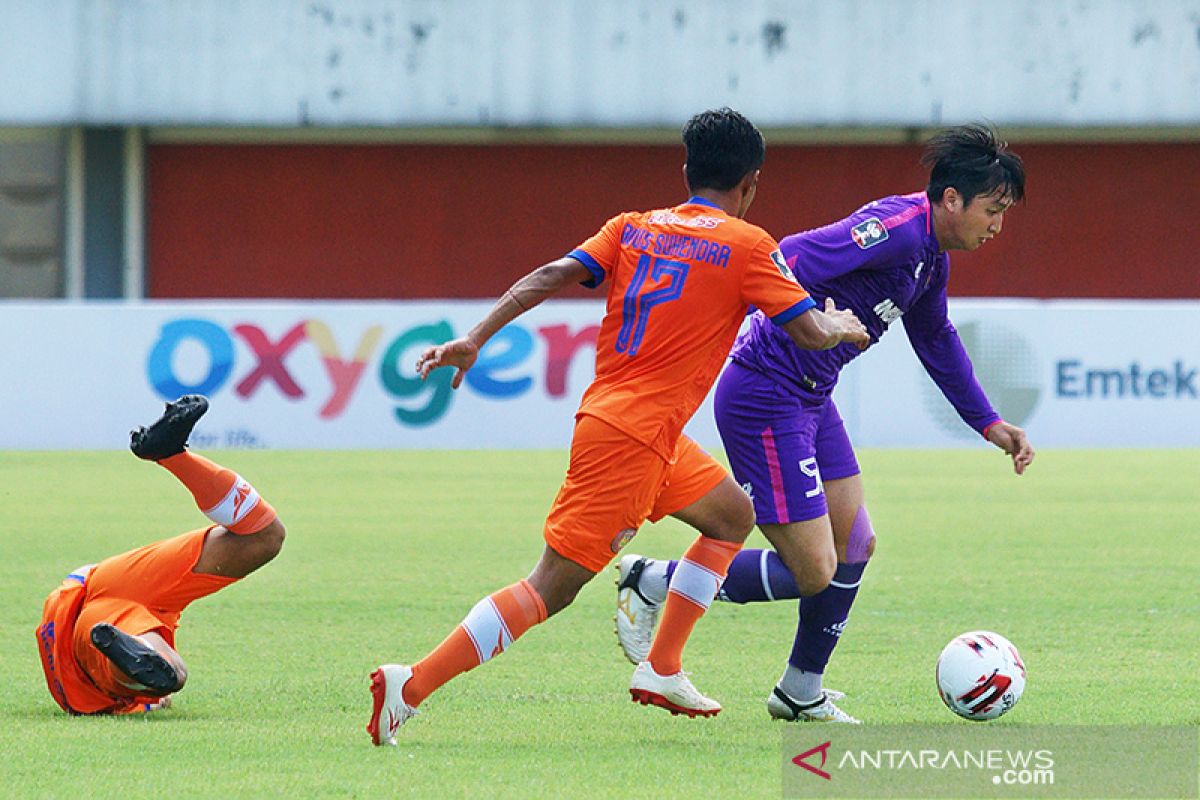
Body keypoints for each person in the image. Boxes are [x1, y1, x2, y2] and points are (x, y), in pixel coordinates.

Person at [367, 107, 869, 745]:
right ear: (751, 184)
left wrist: (473, 337)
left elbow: (549, 275)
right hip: (630, 444)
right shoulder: (748, 246)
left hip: (640, 431)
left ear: (687, 169)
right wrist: (845, 327)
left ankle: (662, 668)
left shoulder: (634, 227)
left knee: (730, 517)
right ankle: (407, 686)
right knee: (550, 588)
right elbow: (810, 331)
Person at [614, 123, 1035, 723]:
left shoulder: (930, 260)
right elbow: (793, 255)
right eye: (991, 210)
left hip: (810, 397)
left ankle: (800, 689)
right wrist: (812, 317)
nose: (996, 225)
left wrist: (989, 422)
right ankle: (655, 580)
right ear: (951, 200)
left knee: (855, 544)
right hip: (766, 394)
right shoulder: (895, 230)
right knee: (814, 569)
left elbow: (936, 337)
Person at [35, 395, 285, 715]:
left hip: (80, 634)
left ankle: (150, 667)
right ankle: (170, 454)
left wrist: (155, 695)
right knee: (264, 537)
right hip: (105, 581)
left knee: (170, 675)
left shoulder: (91, 687)